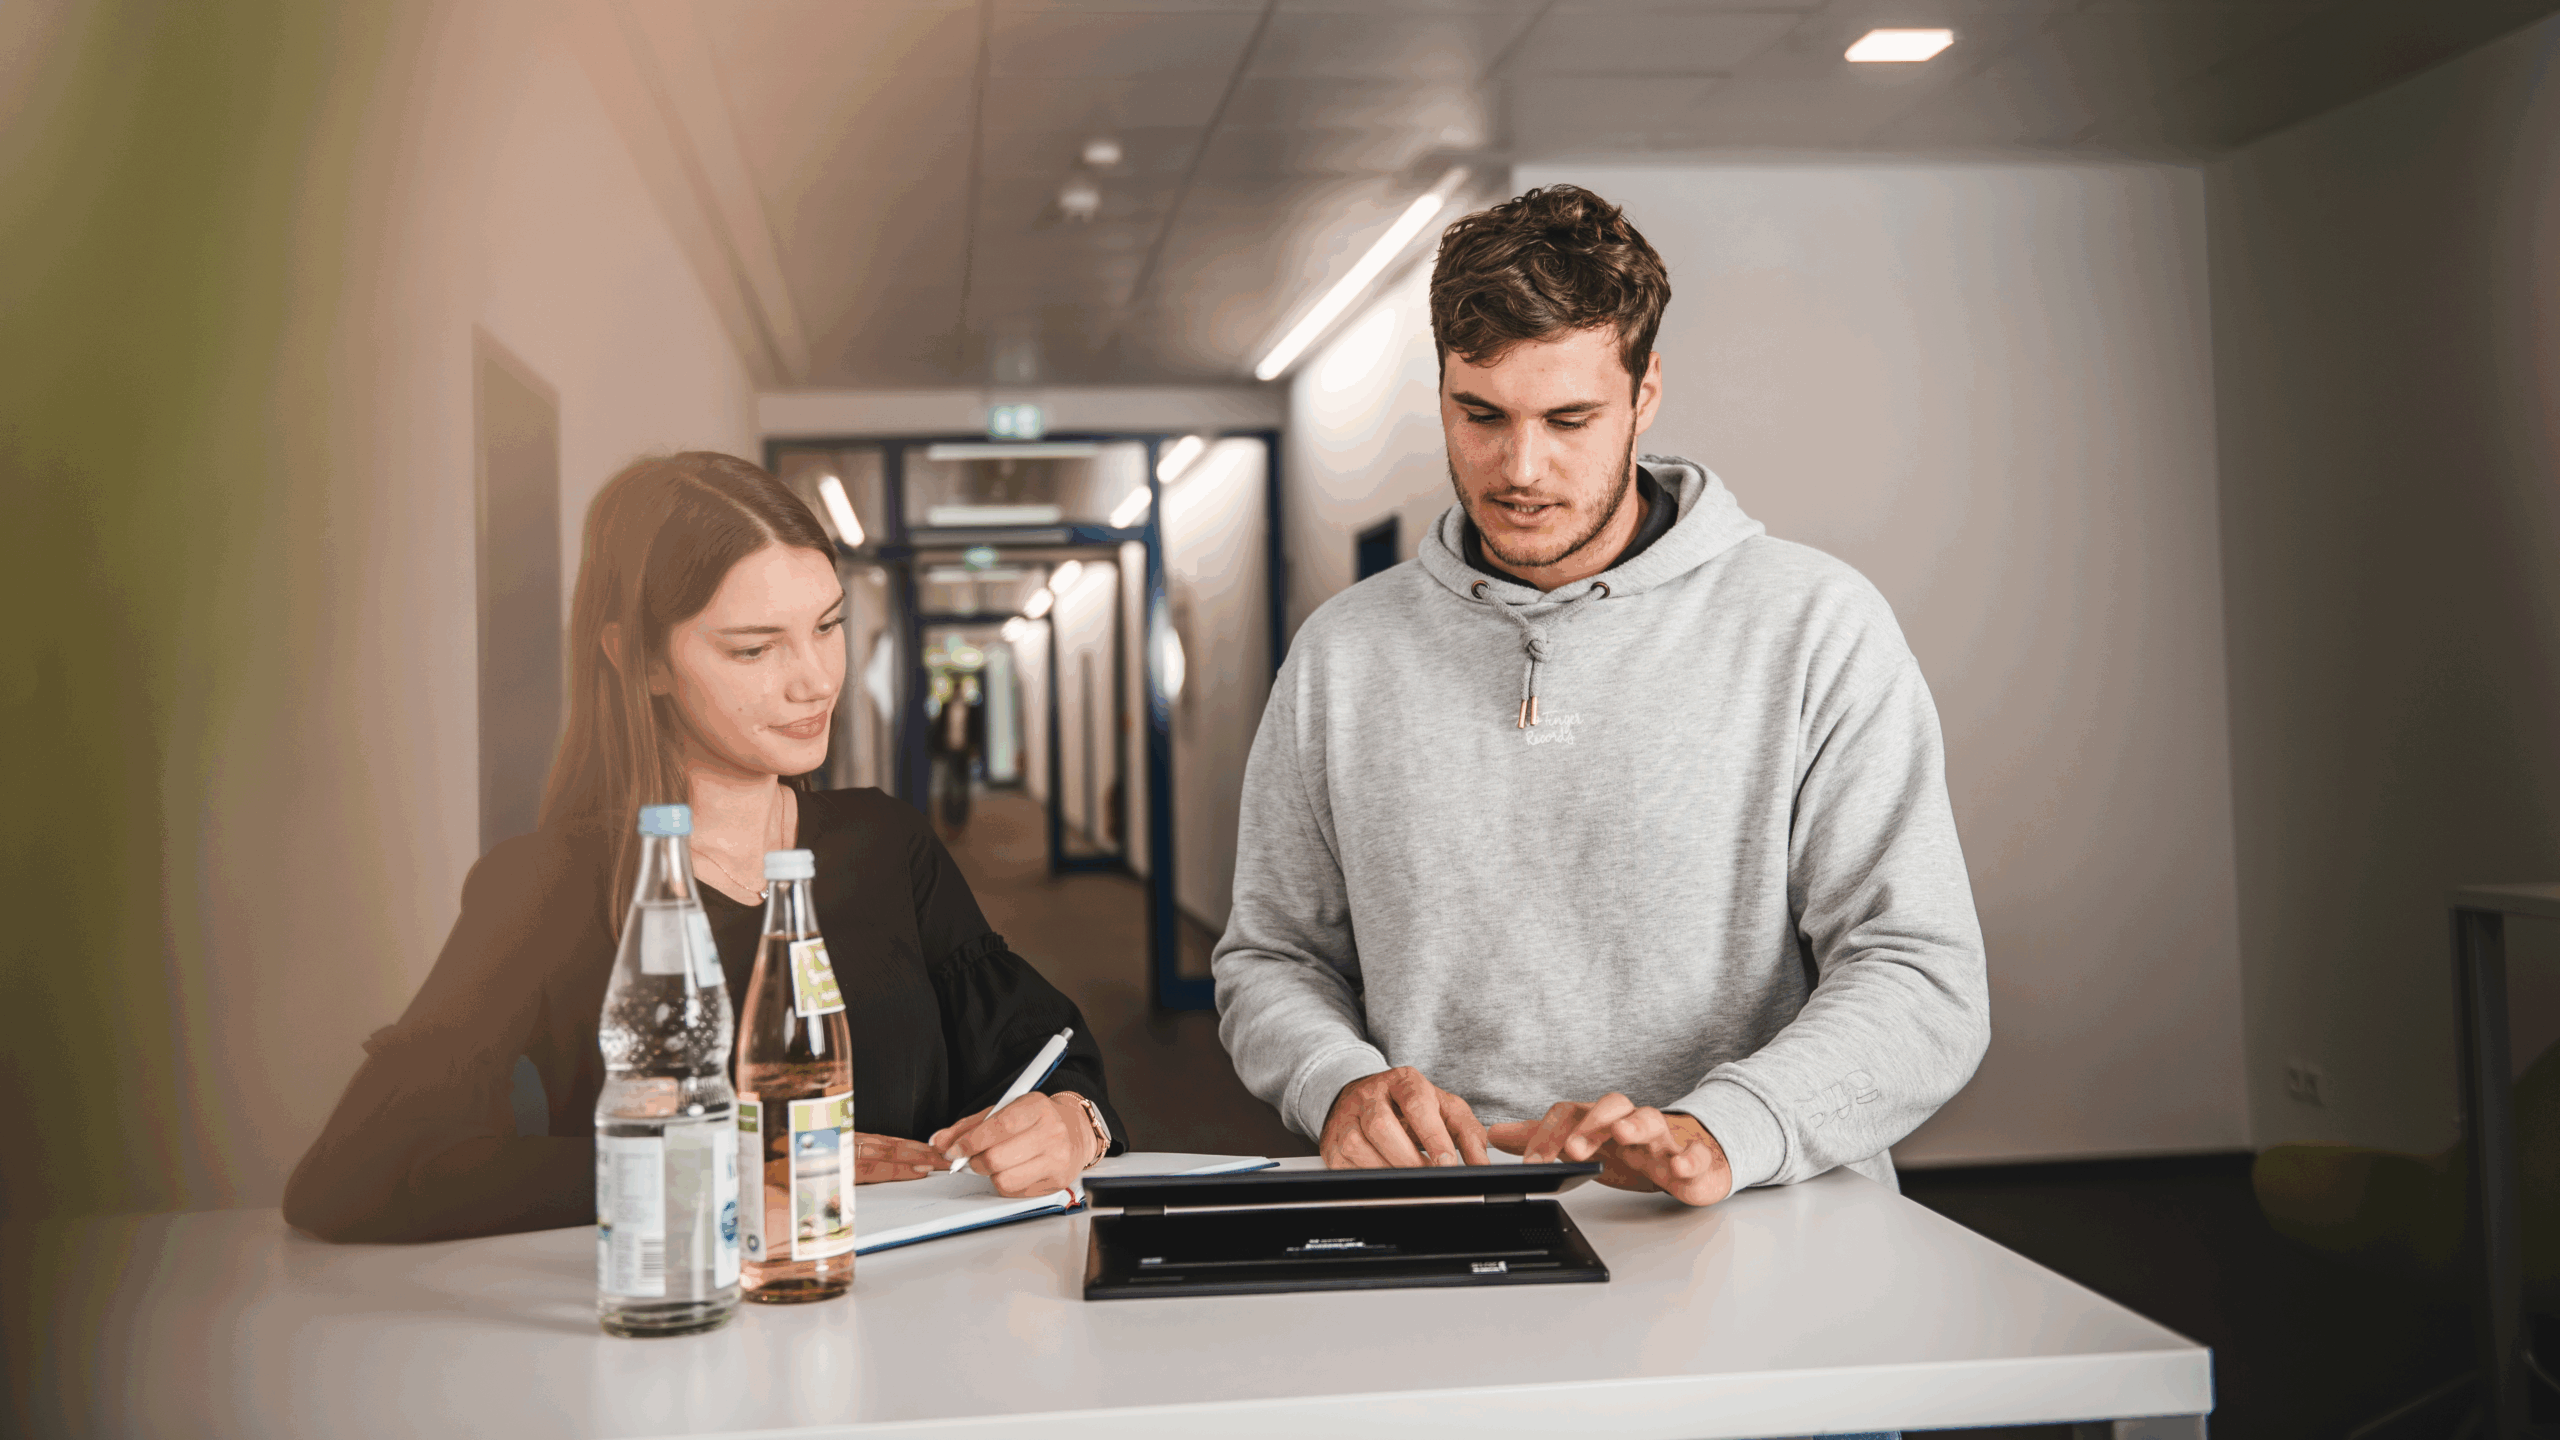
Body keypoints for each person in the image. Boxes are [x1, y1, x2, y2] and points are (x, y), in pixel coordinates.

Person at [1213, 185, 1991, 1208]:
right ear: (1440, 389)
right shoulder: (1342, 656)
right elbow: (1272, 956)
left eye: (1569, 418)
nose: (1519, 468)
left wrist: (1722, 1129)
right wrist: (1340, 1081)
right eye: (1478, 414)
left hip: (1758, 1208)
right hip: (1446, 1213)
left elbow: (1921, 977)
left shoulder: (1814, 627)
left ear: (1645, 392)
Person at [285, 452, 1120, 1243]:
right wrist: (712, 1166)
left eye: (827, 627)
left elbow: (1040, 1047)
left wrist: (1071, 1122)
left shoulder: (885, 843)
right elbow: (357, 1171)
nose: (815, 680)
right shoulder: (547, 890)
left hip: (920, 1323)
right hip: (692, 1334)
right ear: (639, 660)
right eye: (756, 649)